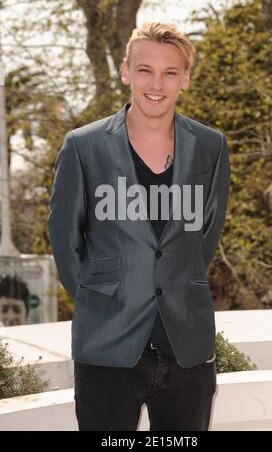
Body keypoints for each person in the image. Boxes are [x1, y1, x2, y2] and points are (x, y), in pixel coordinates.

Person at [48, 22, 230, 431]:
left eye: (170, 72)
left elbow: (206, 234)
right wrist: (99, 298)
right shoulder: (83, 146)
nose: (157, 84)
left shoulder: (210, 146)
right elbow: (64, 239)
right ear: (126, 70)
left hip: (186, 343)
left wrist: (178, 281)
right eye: (146, 70)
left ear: (184, 79)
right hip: (107, 345)